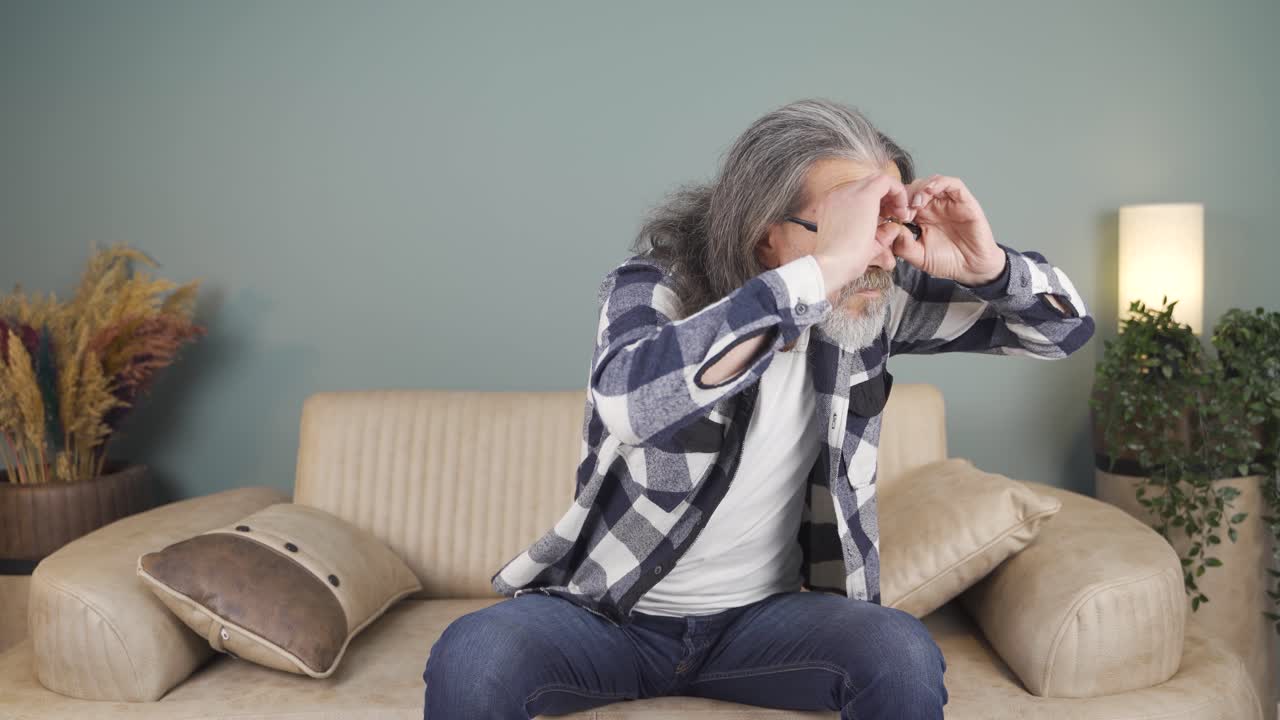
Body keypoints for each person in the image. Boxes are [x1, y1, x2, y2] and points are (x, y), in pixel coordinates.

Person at [423, 98, 1095, 719]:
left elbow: (1062, 331)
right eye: (855, 228)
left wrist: (988, 267)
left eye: (889, 226)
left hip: (760, 628)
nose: (878, 255)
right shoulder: (656, 288)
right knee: (474, 652)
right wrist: (819, 272)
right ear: (766, 234)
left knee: (898, 648)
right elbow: (631, 402)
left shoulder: (867, 304)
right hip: (611, 618)